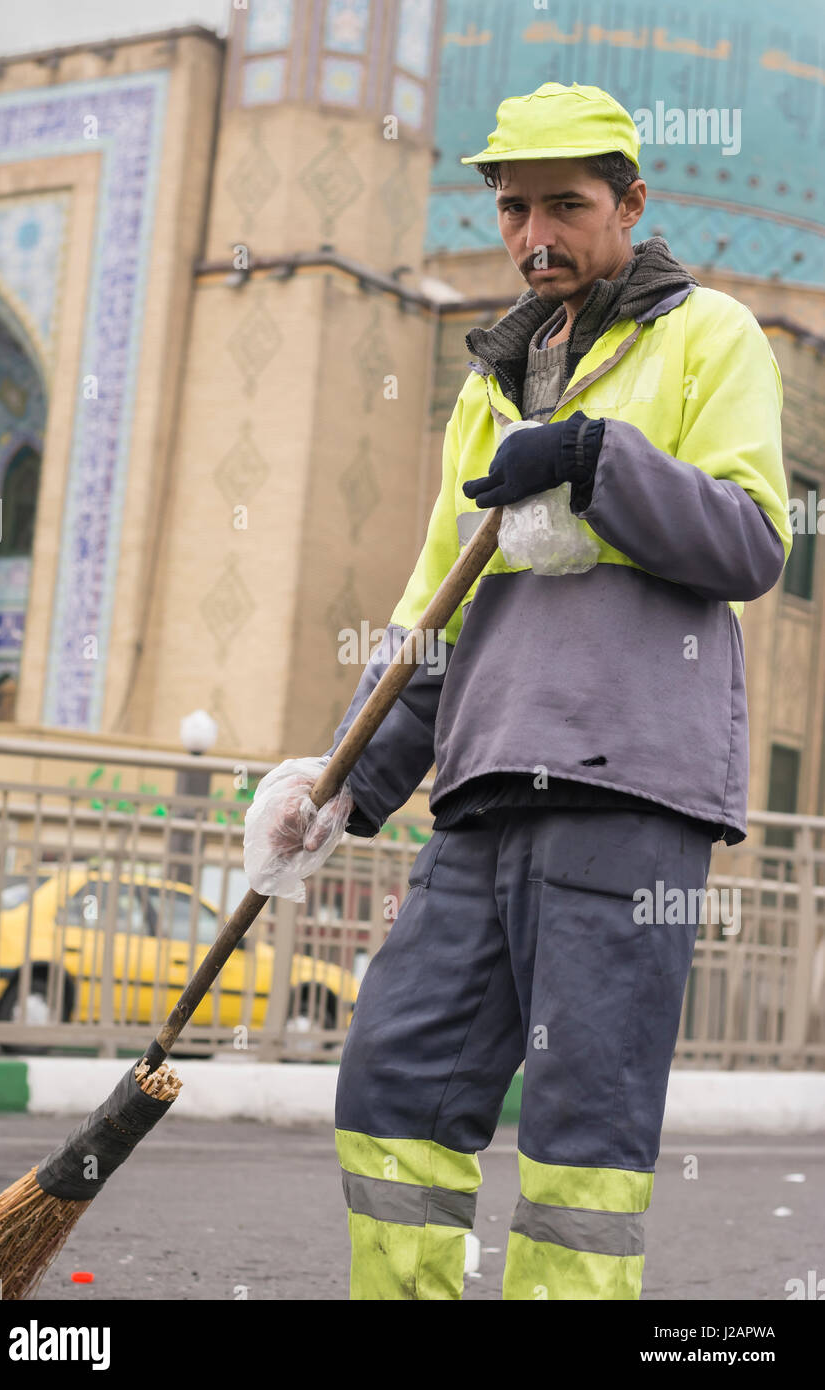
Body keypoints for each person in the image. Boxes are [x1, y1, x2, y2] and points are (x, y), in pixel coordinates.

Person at [253, 82, 792, 1300]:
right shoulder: (491, 385)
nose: (533, 234)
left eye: (564, 205)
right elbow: (426, 617)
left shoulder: (708, 336)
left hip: (626, 794)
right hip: (481, 792)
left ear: (630, 203)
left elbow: (755, 540)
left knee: (578, 1130)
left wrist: (600, 461)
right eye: (512, 210)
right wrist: (337, 786)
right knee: (394, 1080)